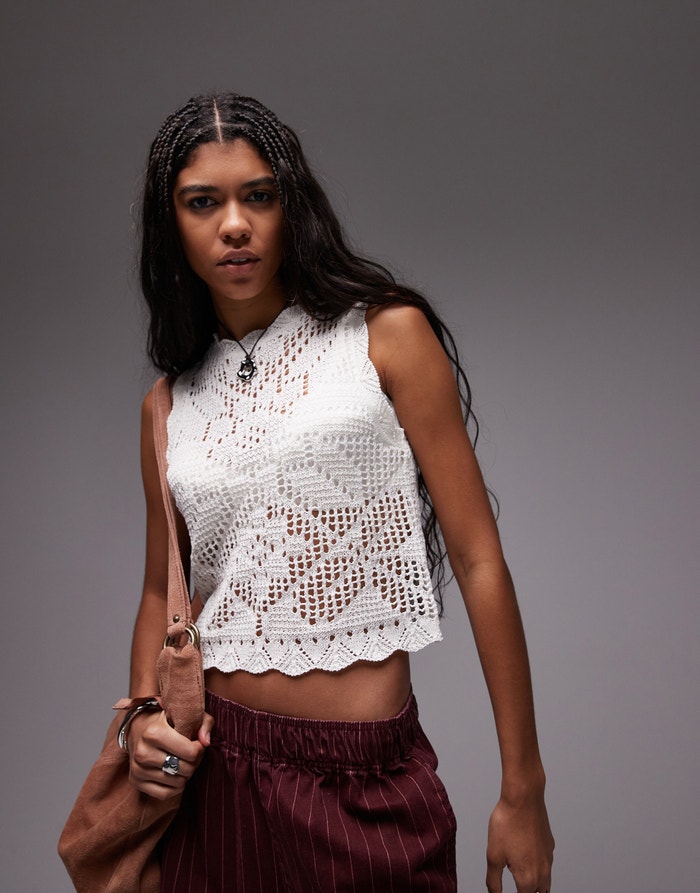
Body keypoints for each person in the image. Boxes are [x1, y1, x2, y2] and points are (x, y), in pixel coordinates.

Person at [123, 92, 554, 892]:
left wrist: (523, 786)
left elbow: (478, 557)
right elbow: (160, 588)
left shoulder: (385, 335)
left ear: (291, 203)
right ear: (169, 224)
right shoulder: (167, 405)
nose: (234, 224)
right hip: (218, 778)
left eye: (258, 195)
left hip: (365, 781)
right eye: (202, 202)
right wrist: (144, 719)